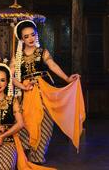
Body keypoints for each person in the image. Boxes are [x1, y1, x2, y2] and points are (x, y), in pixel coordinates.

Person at [11, 20, 85, 164]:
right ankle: (24, 152)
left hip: (44, 92)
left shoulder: (42, 52)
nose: (30, 38)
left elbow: (52, 65)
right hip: (26, 94)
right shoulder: (17, 56)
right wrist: (22, 86)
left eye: (33, 35)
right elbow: (10, 76)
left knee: (45, 124)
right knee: (25, 123)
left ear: (36, 35)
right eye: (26, 36)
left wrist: (67, 79)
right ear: (21, 39)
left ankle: (37, 158)